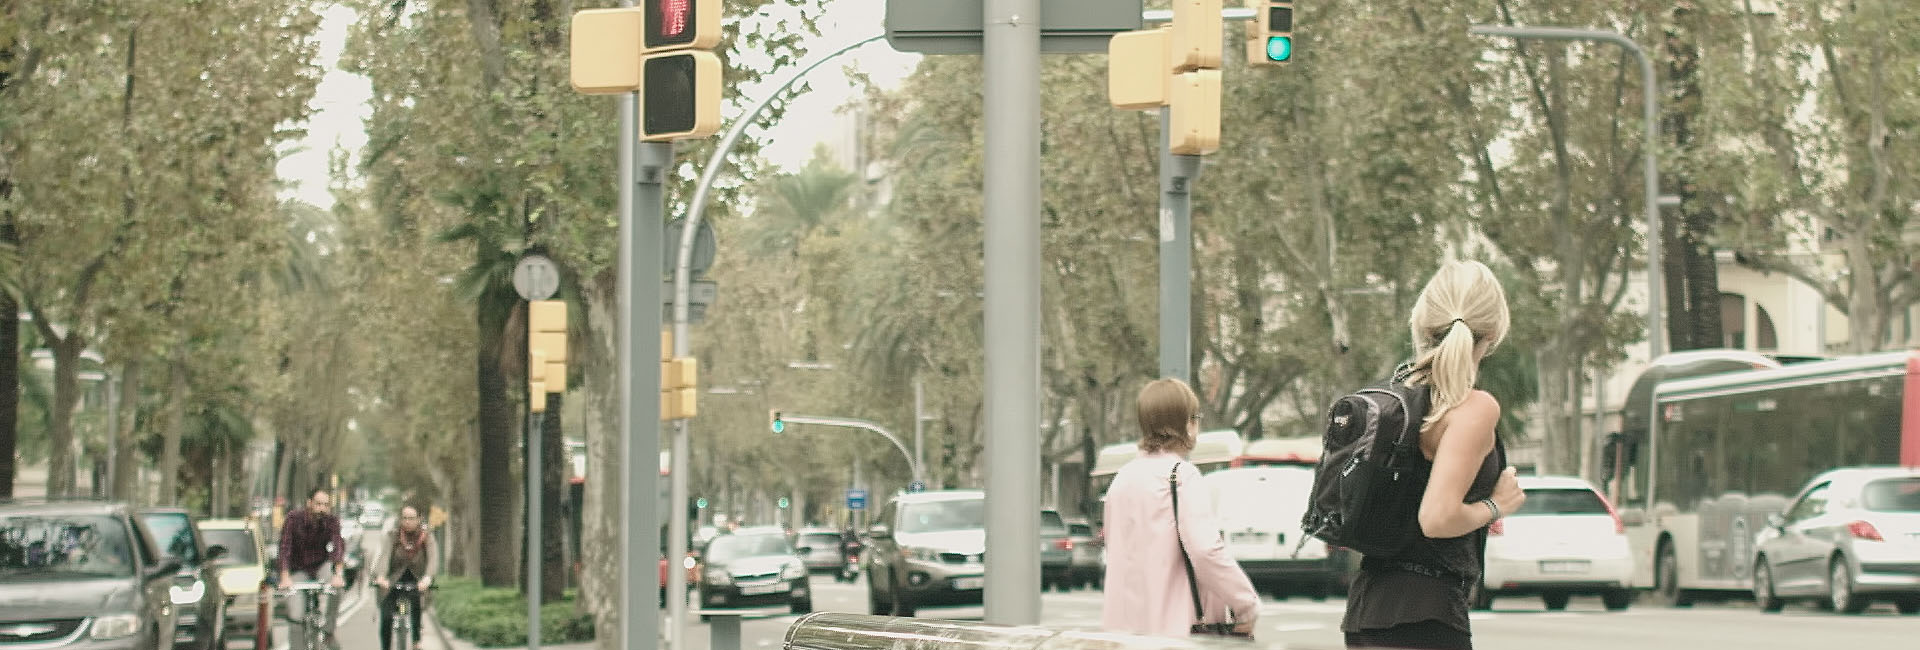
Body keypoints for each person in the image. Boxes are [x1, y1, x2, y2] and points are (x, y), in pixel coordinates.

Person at [1341, 260, 1528, 650]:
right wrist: (1495, 505)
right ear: (1493, 333)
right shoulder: (1474, 409)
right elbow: (1437, 518)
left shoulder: (1400, 399)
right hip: (1427, 616)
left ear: (1424, 326)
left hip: (1367, 611)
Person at [1101, 378, 1259, 638]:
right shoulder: (1181, 476)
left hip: (1123, 631)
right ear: (1185, 422)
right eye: (1195, 417)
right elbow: (1206, 551)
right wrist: (1246, 605)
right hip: (1177, 632)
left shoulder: (1121, 479)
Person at [279, 488, 347, 650]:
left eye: (326, 505)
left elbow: (337, 546)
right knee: (296, 614)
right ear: (309, 503)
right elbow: (285, 547)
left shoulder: (332, 521)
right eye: (318, 504)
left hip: (320, 566)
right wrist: (285, 576)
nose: (322, 509)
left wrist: (337, 574)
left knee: (336, 590)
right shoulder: (293, 519)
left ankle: (328, 632)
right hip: (298, 570)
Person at [372, 506, 437, 650]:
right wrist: (382, 577)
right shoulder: (393, 535)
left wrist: (427, 578)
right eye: (404, 518)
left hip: (417, 581)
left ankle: (416, 641)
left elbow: (433, 559)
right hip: (393, 582)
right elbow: (385, 556)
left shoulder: (426, 536)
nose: (407, 522)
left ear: (419, 519)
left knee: (416, 605)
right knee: (387, 616)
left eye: (411, 518)